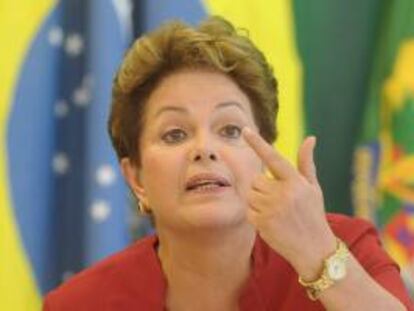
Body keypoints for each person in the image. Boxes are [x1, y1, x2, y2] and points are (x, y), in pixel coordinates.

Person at [43, 16, 413, 310]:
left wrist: (318, 256)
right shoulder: (79, 304)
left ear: (264, 156)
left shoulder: (344, 248)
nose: (204, 149)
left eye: (231, 129)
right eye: (174, 134)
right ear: (136, 177)